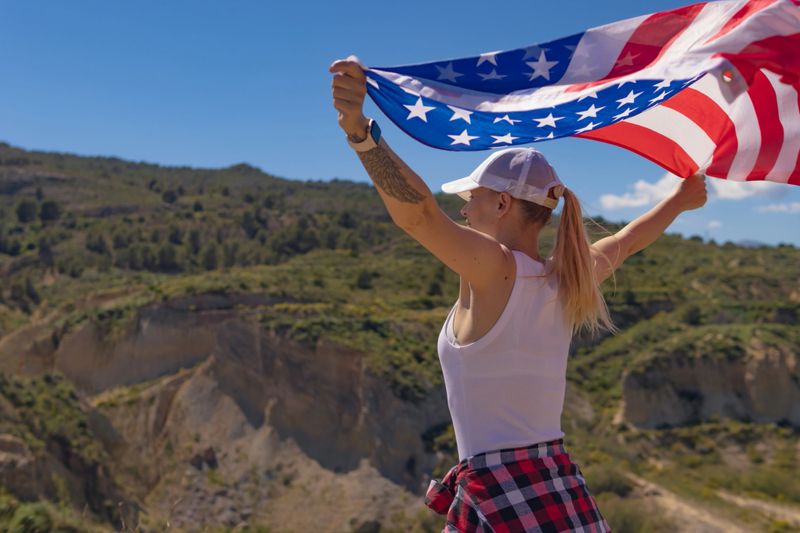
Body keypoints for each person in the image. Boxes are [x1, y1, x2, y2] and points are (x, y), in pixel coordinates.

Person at [329, 58, 707, 533]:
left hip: (503, 495)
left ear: (503, 203)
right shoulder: (568, 275)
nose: (464, 211)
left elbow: (420, 215)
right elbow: (628, 240)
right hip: (559, 484)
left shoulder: (495, 270)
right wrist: (680, 199)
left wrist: (361, 133)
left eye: (473, 199)